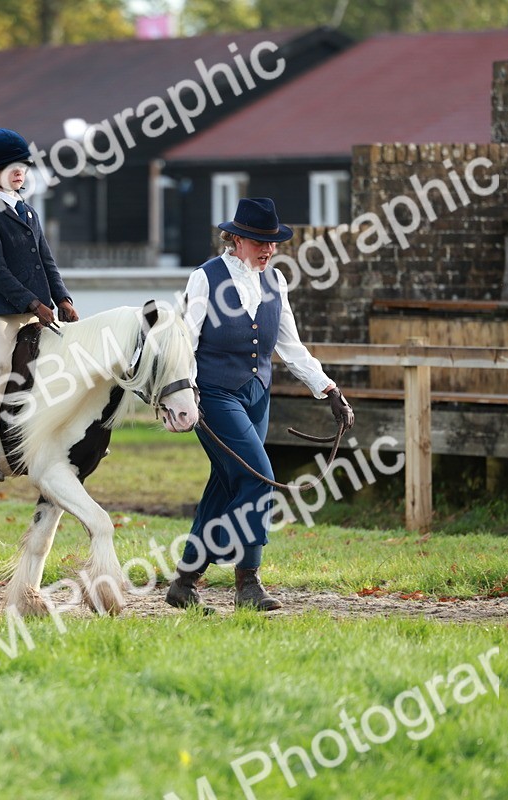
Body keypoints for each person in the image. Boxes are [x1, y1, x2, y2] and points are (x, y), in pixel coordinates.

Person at [166, 197, 354, 612]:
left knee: (227, 482)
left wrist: (330, 391)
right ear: (235, 239)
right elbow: (186, 340)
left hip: (256, 397)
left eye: (273, 242)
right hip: (212, 395)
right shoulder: (206, 278)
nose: (268, 249)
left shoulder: (276, 282)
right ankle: (248, 581)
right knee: (259, 478)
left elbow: (291, 347)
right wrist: (185, 392)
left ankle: (184, 581)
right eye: (258, 241)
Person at [0, 128, 78, 483]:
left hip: (36, 307)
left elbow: (47, 261)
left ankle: (72, 436)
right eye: (9, 166)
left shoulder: (29, 212)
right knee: (1, 365)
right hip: (0, 308)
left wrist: (62, 298)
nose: (19, 171)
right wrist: (33, 303)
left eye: (22, 166)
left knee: (65, 360)